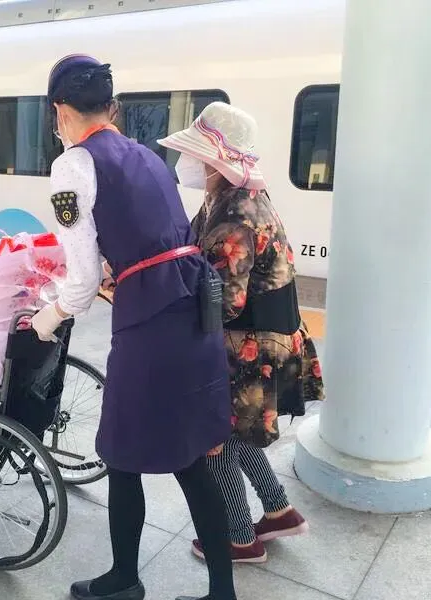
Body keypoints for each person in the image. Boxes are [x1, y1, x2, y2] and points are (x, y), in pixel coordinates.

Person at [30, 55, 237, 600]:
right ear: (113, 107)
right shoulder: (145, 155)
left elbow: (80, 285)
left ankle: (124, 579)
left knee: (122, 455)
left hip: (152, 326)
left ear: (60, 111)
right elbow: (148, 237)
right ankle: (222, 592)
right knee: (191, 460)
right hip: (195, 311)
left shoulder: (73, 166)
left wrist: (45, 320)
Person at [157, 102, 326, 563]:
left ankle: (238, 538)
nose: (187, 163)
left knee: (217, 440)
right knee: (240, 434)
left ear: (216, 159)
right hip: (267, 335)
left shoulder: (233, 213)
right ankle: (279, 511)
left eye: (195, 154)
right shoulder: (239, 194)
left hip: (247, 345)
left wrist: (167, 307)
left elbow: (224, 301)